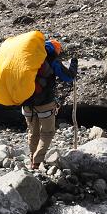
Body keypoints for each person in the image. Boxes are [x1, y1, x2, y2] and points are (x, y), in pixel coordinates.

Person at [22, 38, 76, 169]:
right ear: (55, 50)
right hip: (45, 103)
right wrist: (74, 63)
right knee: (47, 132)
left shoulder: (27, 58)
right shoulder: (52, 60)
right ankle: (37, 162)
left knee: (32, 132)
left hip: (26, 102)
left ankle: (32, 160)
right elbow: (69, 77)